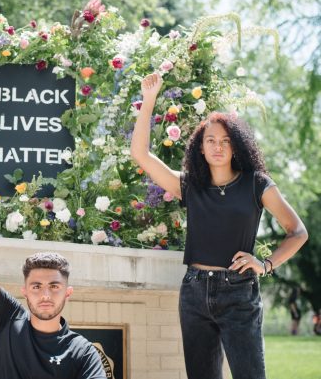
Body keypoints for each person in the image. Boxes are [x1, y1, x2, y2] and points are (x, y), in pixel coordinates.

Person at [130, 73, 308, 379]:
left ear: (237, 146)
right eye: (210, 140)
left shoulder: (257, 184)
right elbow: (141, 155)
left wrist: (265, 265)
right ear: (200, 147)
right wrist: (148, 101)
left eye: (226, 141)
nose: (218, 146)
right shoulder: (190, 186)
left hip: (238, 292)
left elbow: (298, 232)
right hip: (194, 291)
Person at [0, 182, 106, 379]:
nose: (45, 294)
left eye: (54, 286)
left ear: (68, 293)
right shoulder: (8, 319)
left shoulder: (83, 353)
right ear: (24, 291)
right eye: (36, 286)